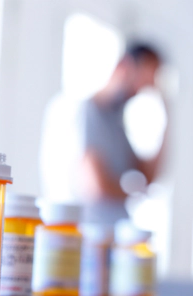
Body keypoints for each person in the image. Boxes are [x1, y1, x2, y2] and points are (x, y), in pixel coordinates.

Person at [39, 42, 167, 224]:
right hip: (88, 237)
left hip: (113, 234)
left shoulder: (115, 120)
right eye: (143, 79)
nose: (142, 89)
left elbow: (148, 175)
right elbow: (97, 186)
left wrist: (167, 116)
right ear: (124, 67)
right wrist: (136, 193)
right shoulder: (85, 111)